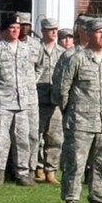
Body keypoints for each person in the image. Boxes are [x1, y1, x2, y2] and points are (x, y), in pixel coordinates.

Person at [53, 17, 102, 203]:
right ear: (89, 34)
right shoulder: (77, 59)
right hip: (80, 122)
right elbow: (62, 90)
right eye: (99, 32)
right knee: (75, 164)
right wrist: (70, 113)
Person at [0, 12, 39, 185]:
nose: (15, 31)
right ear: (5, 30)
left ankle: (22, 173)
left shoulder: (26, 49)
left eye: (18, 28)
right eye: (12, 28)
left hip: (22, 102)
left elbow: (33, 72)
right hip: (2, 101)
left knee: (22, 139)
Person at [34, 17, 65, 184]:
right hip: (38, 98)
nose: (54, 32)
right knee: (37, 135)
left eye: (56, 29)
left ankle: (51, 169)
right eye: (50, 29)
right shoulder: (35, 49)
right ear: (43, 31)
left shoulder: (62, 52)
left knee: (55, 136)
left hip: (55, 100)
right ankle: (38, 167)